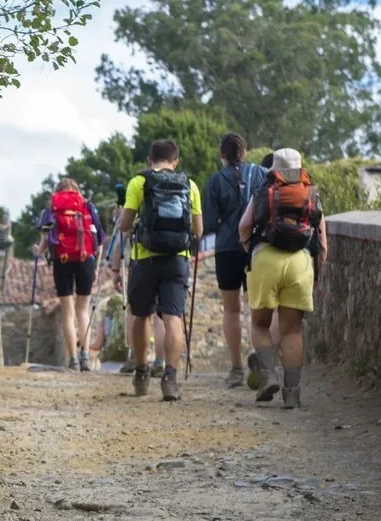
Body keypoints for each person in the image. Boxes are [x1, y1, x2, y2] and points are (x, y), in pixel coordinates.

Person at [237, 148, 325, 409]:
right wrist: (316, 273)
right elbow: (322, 242)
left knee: (261, 324)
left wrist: (249, 248)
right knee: (293, 330)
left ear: (274, 168)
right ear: (300, 168)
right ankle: (293, 393)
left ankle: (267, 376)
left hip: (265, 258)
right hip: (299, 262)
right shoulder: (311, 194)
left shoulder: (264, 191)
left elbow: (243, 226)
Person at [116, 139, 202, 401]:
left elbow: (124, 225)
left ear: (148, 160)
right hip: (177, 259)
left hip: (146, 259)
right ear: (176, 161)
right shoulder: (190, 185)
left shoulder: (138, 183)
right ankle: (170, 379)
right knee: (172, 317)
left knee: (141, 315)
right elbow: (198, 230)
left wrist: (125, 217)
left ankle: (142, 373)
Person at [202, 133, 267, 388]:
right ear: (245, 152)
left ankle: (236, 368)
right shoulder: (261, 174)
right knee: (257, 308)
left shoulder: (216, 181)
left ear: (222, 156)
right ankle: (263, 362)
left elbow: (208, 223)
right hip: (255, 249)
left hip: (227, 248)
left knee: (231, 309)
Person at [35, 179, 100, 370]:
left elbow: (45, 240)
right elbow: (99, 238)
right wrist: (94, 265)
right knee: (83, 310)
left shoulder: (52, 208)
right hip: (85, 259)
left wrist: (38, 251)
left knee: (68, 311)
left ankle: (73, 359)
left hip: (61, 262)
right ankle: (86, 356)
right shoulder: (87, 206)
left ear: (57, 192)